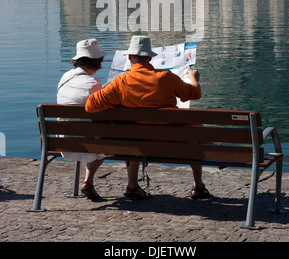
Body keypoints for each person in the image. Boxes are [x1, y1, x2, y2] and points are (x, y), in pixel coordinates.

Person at [85, 35, 209, 200]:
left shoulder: (121, 81)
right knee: (195, 135)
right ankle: (198, 186)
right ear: (150, 58)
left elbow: (90, 105)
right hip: (172, 141)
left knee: (132, 134)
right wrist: (194, 79)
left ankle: (132, 185)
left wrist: (109, 91)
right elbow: (194, 93)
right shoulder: (166, 77)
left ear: (129, 57)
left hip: (137, 142)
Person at [57, 38, 109, 200]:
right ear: (97, 62)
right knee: (115, 135)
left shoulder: (66, 77)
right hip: (86, 141)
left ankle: (88, 182)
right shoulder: (92, 84)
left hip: (62, 139)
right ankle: (132, 186)